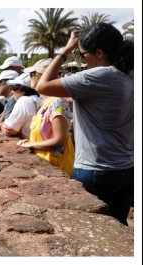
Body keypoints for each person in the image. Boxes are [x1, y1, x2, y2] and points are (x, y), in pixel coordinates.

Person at [36, 23, 134, 226]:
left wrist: (65, 51)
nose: (83, 60)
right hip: (127, 168)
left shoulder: (100, 76)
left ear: (98, 53)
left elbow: (42, 85)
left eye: (82, 55)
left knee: (94, 230)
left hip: (96, 170)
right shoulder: (130, 74)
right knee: (118, 233)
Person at [15, 58, 75, 176]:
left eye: (32, 74)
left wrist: (30, 145)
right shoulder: (44, 103)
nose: (30, 77)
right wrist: (30, 141)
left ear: (40, 76)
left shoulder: (57, 103)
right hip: (45, 164)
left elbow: (59, 140)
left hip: (56, 167)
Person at [0, 73, 42, 139]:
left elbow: (10, 129)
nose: (12, 91)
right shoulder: (40, 100)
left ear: (23, 90)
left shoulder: (24, 100)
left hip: (34, 146)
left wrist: (2, 126)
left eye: (14, 88)